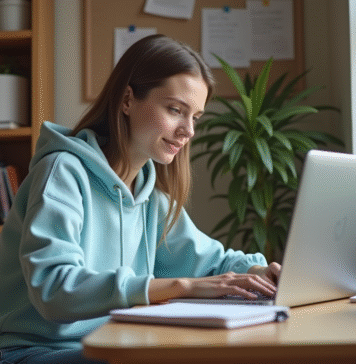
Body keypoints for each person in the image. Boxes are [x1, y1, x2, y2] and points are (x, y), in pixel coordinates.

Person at [0, 34, 281, 364]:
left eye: (196, 117)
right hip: (37, 350)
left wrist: (262, 272)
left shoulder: (150, 195)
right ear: (128, 100)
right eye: (176, 110)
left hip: (115, 342)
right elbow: (54, 289)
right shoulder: (62, 171)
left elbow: (210, 261)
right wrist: (181, 286)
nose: (188, 131)